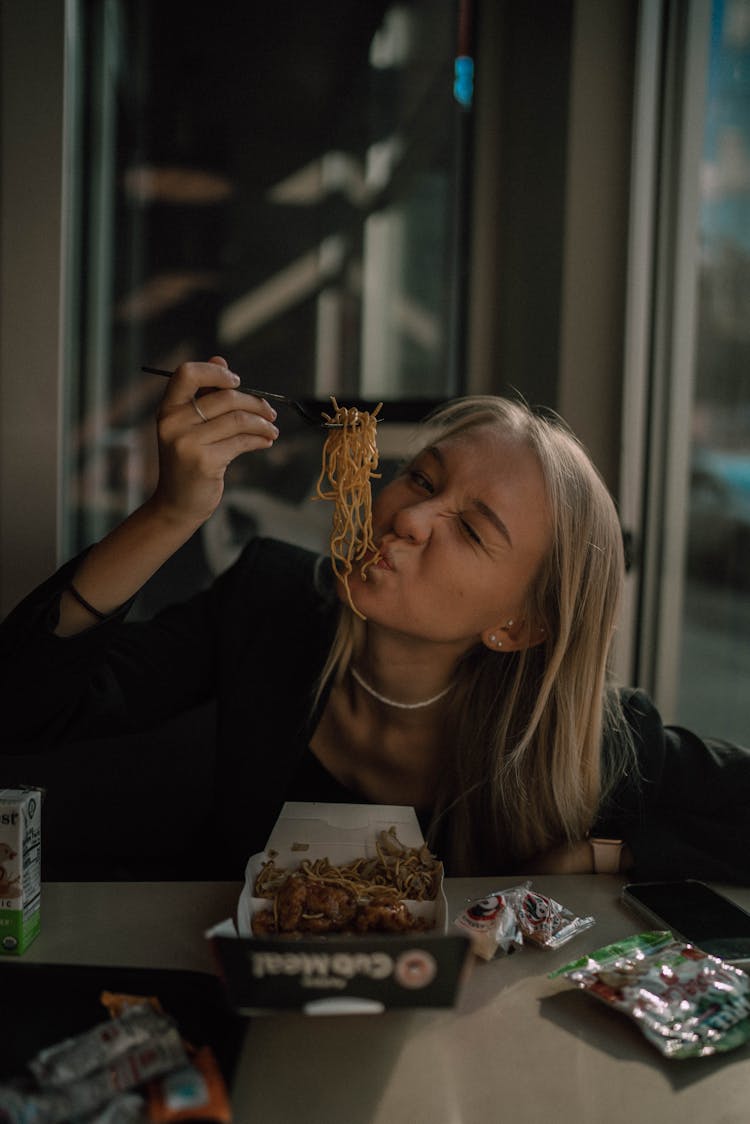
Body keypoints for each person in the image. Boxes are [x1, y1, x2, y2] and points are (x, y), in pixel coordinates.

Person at [1, 358, 749, 882]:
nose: (413, 516)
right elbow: (24, 706)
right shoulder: (273, 603)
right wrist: (170, 513)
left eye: (473, 530)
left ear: (517, 627)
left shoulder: (580, 737)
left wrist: (601, 857)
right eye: (422, 478)